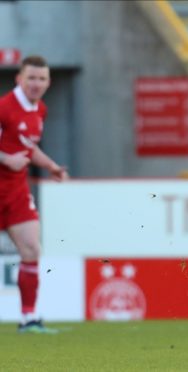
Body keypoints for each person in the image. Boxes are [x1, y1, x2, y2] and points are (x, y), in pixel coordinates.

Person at [0, 55, 68, 333]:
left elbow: (28, 147)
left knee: (31, 248)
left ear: (49, 82)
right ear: (19, 78)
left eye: (41, 79)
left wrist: (50, 165)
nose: (36, 84)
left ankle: (28, 318)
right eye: (31, 78)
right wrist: (5, 158)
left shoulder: (40, 110)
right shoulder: (4, 108)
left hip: (15, 189)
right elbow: (13, 152)